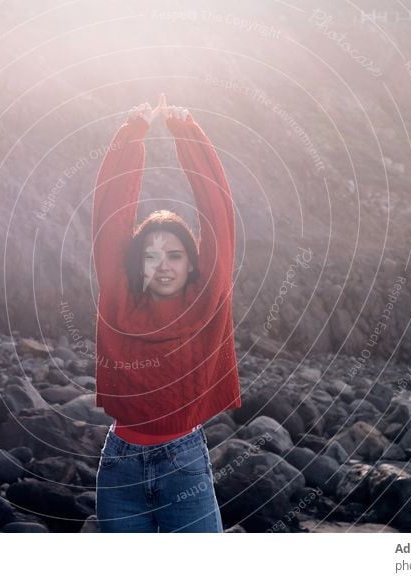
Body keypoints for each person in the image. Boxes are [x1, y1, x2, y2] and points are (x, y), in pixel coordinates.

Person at [91, 94, 241, 532]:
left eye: (174, 255)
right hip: (120, 468)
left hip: (185, 464)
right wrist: (132, 135)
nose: (162, 265)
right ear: (136, 264)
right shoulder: (120, 305)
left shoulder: (206, 303)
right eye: (151, 256)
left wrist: (188, 135)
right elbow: (110, 219)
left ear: (192, 262)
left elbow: (218, 213)